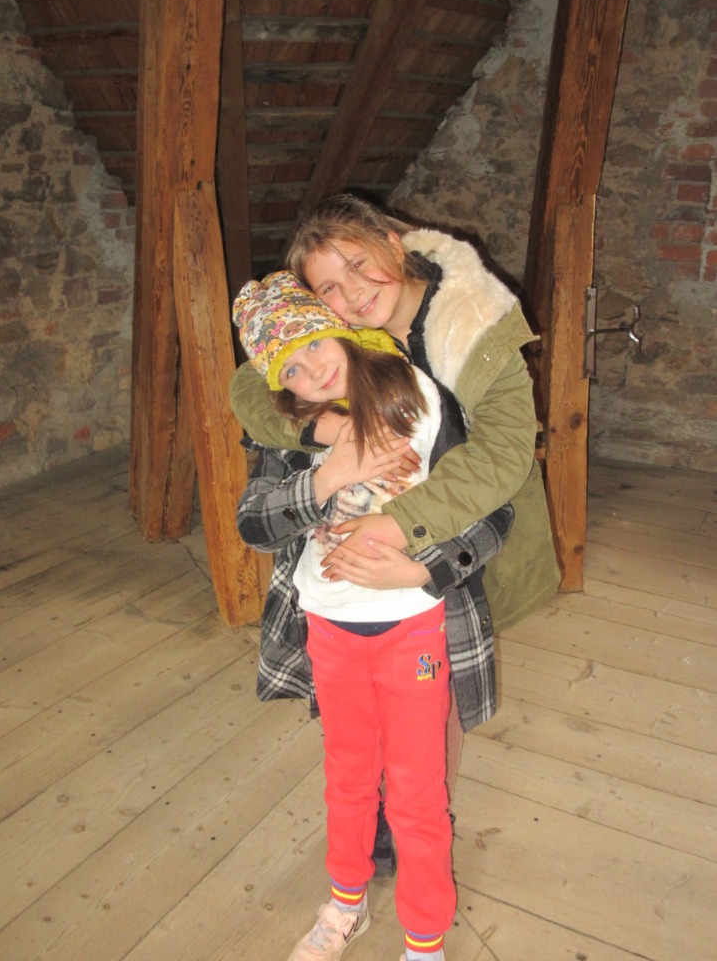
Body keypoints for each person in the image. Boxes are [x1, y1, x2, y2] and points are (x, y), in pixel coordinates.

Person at [232, 271, 513, 961]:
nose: (311, 370)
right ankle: (345, 903)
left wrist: (423, 567)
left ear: (338, 329)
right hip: (330, 627)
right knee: (348, 777)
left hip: (411, 626)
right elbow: (254, 522)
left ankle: (424, 941)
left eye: (312, 343)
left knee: (417, 792)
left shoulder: (419, 396)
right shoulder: (291, 428)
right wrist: (330, 472)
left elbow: (488, 507)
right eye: (290, 368)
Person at [230, 192, 559, 637]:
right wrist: (330, 428)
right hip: (351, 588)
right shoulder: (330, 334)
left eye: (358, 264)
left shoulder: (478, 322)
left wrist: (400, 525)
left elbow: (502, 454)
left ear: (391, 244)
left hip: (465, 541)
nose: (352, 291)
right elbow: (247, 386)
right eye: (329, 288)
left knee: (448, 664)